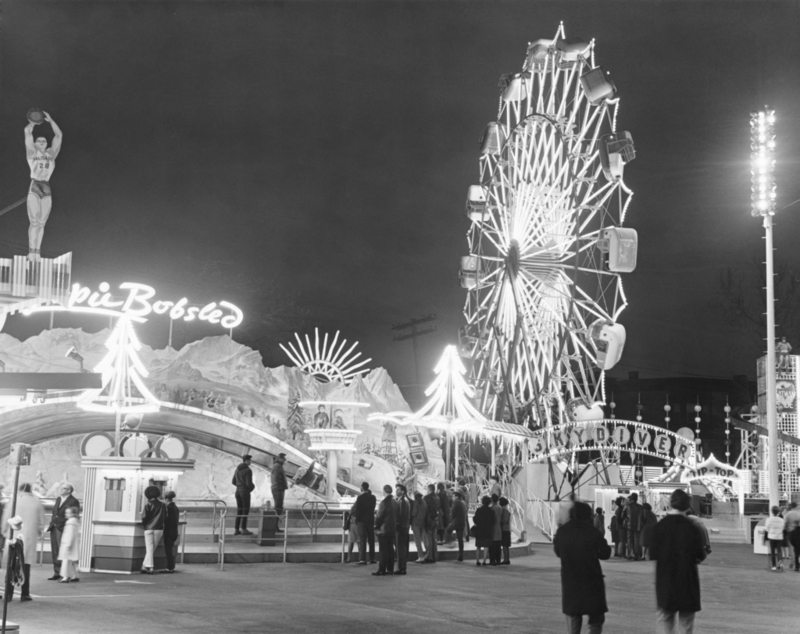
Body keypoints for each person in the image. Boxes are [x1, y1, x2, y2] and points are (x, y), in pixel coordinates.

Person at [649, 489, 707, 634]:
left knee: (665, 620)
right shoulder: (693, 528)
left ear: (670, 504)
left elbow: (653, 554)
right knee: (686, 623)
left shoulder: (658, 527)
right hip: (687, 582)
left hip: (665, 582)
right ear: (688, 506)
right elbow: (700, 555)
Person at [554, 501, 612, 634]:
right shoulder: (592, 531)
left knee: (574, 617)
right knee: (596, 619)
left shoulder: (562, 532)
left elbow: (558, 552)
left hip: (571, 581)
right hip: (592, 581)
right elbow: (605, 553)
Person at [24, 111, 63, 260]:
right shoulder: (32, 153)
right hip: (34, 186)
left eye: (44, 141)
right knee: (34, 221)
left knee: (42, 223)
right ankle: (31, 251)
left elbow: (59, 136)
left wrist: (51, 120)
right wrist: (33, 122)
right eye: (39, 141)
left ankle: (37, 252)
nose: (42, 142)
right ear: (35, 143)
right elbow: (27, 132)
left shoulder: (51, 154)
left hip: (46, 187)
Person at [2, 483, 44, 600]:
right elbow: (41, 520)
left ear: (20, 490)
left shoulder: (14, 500)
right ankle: (25, 593)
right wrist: (40, 531)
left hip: (14, 536)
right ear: (31, 491)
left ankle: (9, 594)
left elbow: (6, 517)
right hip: (29, 538)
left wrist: (4, 531)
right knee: (25, 566)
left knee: (12, 565)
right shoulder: (36, 501)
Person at [47, 482, 80, 580]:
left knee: (65, 552)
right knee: (55, 551)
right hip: (54, 527)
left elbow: (74, 514)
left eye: (63, 488)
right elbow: (55, 512)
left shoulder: (73, 501)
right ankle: (57, 572)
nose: (60, 490)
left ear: (69, 490)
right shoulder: (58, 499)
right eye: (61, 488)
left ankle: (65, 573)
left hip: (65, 528)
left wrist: (65, 525)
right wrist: (53, 521)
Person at [141, 485, 166, 574]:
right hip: (159, 529)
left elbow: (144, 518)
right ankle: (144, 566)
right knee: (151, 548)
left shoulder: (147, 505)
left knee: (149, 548)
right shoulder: (163, 505)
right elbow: (164, 517)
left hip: (148, 528)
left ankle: (150, 567)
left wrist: (145, 524)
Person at [373, 485, 397, 576]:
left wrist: (375, 526)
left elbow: (379, 516)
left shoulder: (383, 503)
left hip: (383, 530)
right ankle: (390, 569)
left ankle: (382, 569)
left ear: (384, 491)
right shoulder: (395, 502)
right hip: (392, 529)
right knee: (390, 549)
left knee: (383, 550)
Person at [233, 454, 256, 535]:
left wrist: (239, 486)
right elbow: (249, 484)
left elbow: (233, 481)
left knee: (239, 510)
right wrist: (252, 487)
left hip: (237, 492)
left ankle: (236, 529)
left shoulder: (237, 469)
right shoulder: (248, 470)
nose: (251, 461)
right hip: (245, 493)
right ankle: (243, 529)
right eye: (250, 460)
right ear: (247, 461)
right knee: (245, 510)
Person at [354, 481, 377, 565]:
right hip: (370, 520)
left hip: (362, 521)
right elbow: (373, 508)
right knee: (371, 540)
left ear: (362, 488)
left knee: (363, 540)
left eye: (360, 487)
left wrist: (358, 519)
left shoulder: (360, 498)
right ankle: (372, 558)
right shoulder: (373, 497)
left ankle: (363, 559)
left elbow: (358, 510)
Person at [58, 507, 80, 583]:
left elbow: (69, 535)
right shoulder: (75, 522)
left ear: (73, 514)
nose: (66, 514)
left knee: (66, 561)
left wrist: (67, 544)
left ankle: (65, 577)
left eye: (68, 513)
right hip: (72, 545)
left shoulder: (70, 523)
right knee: (72, 561)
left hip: (68, 545)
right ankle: (75, 575)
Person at [473, 495, 495, 566]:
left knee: (478, 546)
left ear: (482, 502)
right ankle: (484, 561)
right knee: (486, 546)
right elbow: (492, 521)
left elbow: (475, 519)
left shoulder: (479, 510)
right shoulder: (491, 511)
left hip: (479, 530)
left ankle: (477, 560)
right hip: (487, 531)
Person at [394, 483, 411, 574]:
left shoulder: (403, 501)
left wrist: (397, 523)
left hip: (401, 527)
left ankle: (401, 568)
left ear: (403, 491)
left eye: (398, 490)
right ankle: (401, 567)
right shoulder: (404, 500)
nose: (396, 491)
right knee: (401, 548)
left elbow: (401, 515)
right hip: (403, 527)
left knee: (401, 548)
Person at [446, 490, 467, 562]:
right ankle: (461, 556)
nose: (452, 497)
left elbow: (453, 512)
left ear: (456, 496)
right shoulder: (463, 502)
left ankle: (451, 542)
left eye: (453, 496)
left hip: (456, 521)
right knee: (460, 539)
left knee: (448, 530)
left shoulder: (456, 502)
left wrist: (450, 520)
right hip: (462, 522)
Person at [422, 484, 440, 563]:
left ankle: (429, 556)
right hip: (436, 519)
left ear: (428, 489)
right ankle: (434, 556)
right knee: (434, 538)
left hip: (428, 520)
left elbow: (424, 510)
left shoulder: (426, 498)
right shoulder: (437, 497)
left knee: (428, 539)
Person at [163, 490, 180, 573]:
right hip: (174, 532)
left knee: (168, 550)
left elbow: (166, 520)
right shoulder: (175, 507)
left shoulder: (168, 508)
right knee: (170, 550)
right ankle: (171, 567)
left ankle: (170, 567)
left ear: (166, 499)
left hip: (168, 532)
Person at [623, 492, 643, 560]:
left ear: (631, 498)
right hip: (637, 526)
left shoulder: (627, 506)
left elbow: (622, 516)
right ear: (637, 499)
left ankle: (629, 554)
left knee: (629, 540)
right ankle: (636, 555)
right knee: (636, 540)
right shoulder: (640, 507)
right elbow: (642, 517)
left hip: (629, 525)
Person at [765, 505, 786, 571]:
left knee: (772, 552)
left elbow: (766, 529)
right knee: (779, 551)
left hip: (771, 537)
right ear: (778, 512)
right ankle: (780, 563)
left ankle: (773, 566)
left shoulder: (769, 519)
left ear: (772, 512)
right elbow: (783, 528)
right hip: (779, 537)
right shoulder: (781, 520)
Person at [410, 491, 429, 563]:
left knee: (417, 541)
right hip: (423, 523)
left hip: (416, 524)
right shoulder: (424, 502)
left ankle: (420, 556)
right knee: (425, 540)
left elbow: (414, 513)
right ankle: (427, 555)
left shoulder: (415, 503)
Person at [270, 453, 288, 525]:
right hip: (278, 489)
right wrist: (281, 488)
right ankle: (275, 526)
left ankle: (275, 525)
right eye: (283, 459)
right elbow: (276, 479)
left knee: (279, 507)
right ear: (280, 459)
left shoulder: (278, 466)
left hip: (279, 489)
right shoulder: (277, 466)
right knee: (278, 508)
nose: (284, 461)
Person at [783, 501, 800, 571]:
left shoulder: (787, 514)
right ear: (796, 506)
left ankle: (792, 563)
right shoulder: (799, 514)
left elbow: (784, 524)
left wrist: (787, 529)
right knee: (798, 549)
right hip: (799, 532)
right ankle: (797, 565)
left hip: (790, 533)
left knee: (792, 549)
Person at [489, 493, 503, 565]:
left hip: (493, 528)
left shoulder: (492, 508)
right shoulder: (500, 508)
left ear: (492, 500)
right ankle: (498, 560)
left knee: (493, 545)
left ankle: (492, 560)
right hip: (499, 528)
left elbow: (491, 519)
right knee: (498, 545)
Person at [499, 496, 512, 565]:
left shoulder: (505, 511)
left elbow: (504, 520)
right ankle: (507, 559)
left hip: (505, 529)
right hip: (507, 529)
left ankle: (505, 559)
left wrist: (500, 520)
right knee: (506, 546)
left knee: (504, 545)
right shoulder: (506, 510)